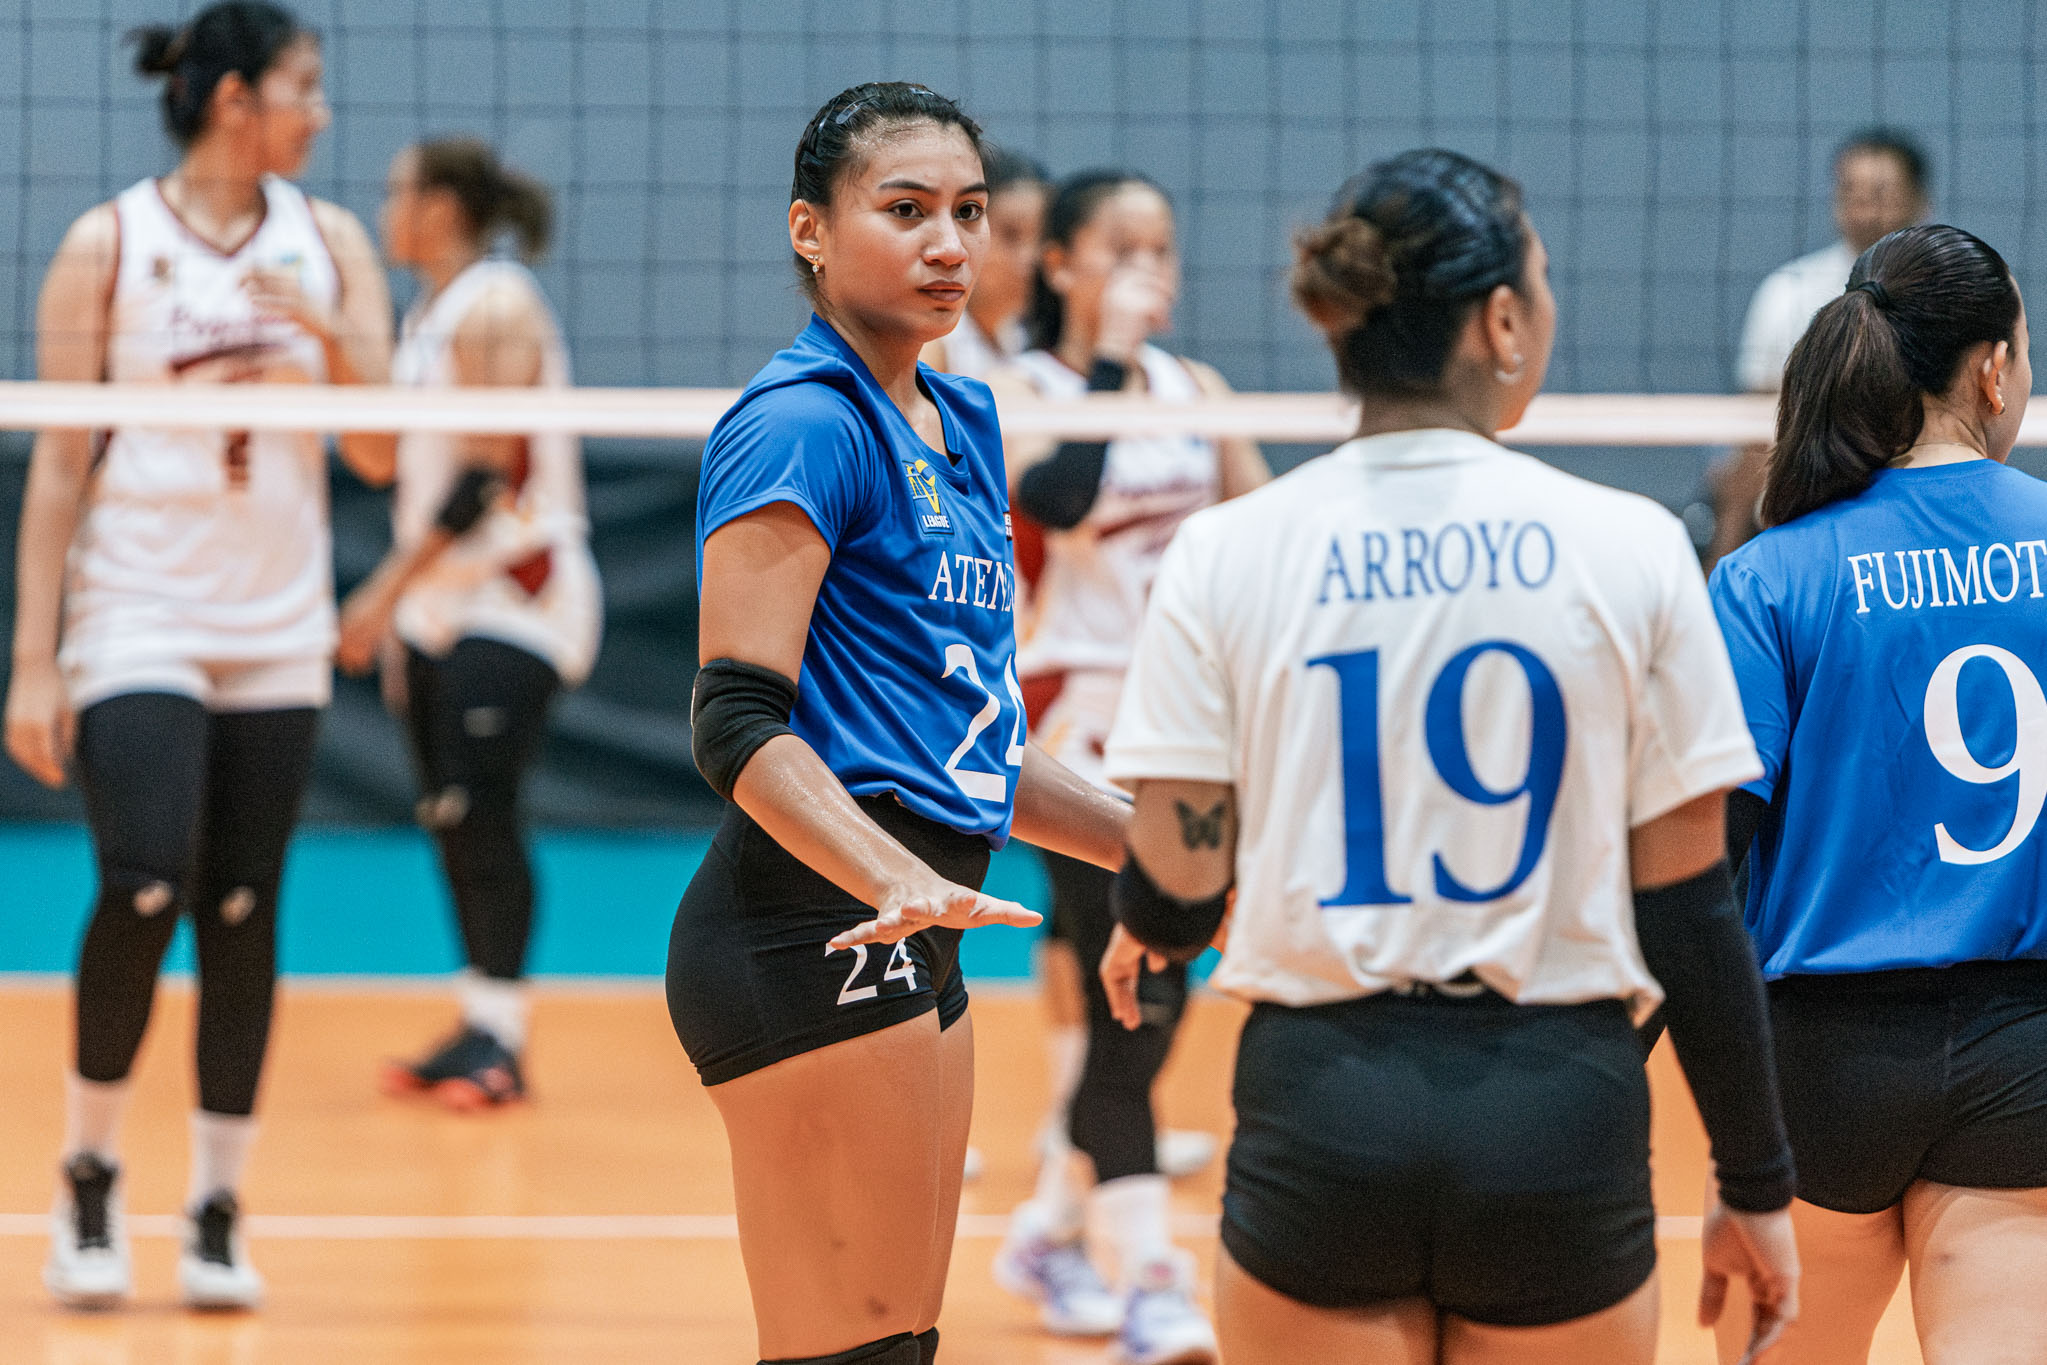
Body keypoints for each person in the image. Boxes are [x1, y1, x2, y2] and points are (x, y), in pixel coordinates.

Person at [1092, 148, 1801, 1364]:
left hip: (1322, 1106)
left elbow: (1177, 886)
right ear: (1502, 320)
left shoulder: (1226, 550)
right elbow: (1690, 912)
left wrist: (1148, 918)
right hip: (1556, 1112)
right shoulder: (1633, 546)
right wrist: (1754, 1179)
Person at [666, 82, 1130, 1365]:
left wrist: (1154, 850)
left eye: (969, 213)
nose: (949, 244)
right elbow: (732, 720)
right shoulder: (802, 421)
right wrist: (889, 875)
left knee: (902, 1343)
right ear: (811, 230)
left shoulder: (961, 417)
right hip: (806, 925)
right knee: (848, 1353)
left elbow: (966, 744)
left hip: (915, 918)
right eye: (907, 210)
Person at [4, 1, 393, 1311]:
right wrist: (35, 660)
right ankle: (89, 1171)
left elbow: (380, 451)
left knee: (241, 907)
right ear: (236, 99)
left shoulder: (329, 242)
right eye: (303, 87)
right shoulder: (109, 244)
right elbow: (59, 461)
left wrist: (327, 331)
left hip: (274, 621)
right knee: (143, 882)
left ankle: (218, 1204)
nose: (320, 113)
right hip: (138, 609)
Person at [1709, 224, 2047, 1364]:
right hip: (2025, 1048)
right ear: (1992, 371)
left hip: (1822, 1061)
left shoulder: (1767, 573)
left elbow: (1700, 858)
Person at [987, 168, 1268, 1361]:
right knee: (1134, 990)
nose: (1146, 270)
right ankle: (1152, 1277)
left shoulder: (1196, 391)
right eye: (1119, 248)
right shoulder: (1015, 389)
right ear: (1060, 265)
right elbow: (1055, 497)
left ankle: (1048, 1231)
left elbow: (1265, 534)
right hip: (1073, 729)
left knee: (1158, 1000)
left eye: (1161, 249)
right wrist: (1105, 359)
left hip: (1188, 731)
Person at [338, 137, 601, 1109]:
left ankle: (505, 1041)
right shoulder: (428, 315)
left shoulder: (496, 304)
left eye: (396, 192)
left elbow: (484, 479)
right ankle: (479, 1019)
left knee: (484, 807)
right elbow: (393, 469)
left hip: (517, 595)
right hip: (443, 604)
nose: (384, 209)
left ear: (442, 206)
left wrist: (379, 593)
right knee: (448, 814)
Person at [1711, 130, 1929, 563]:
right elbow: (1756, 434)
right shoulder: (1788, 291)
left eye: (1880, 194)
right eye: (1850, 193)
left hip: (1922, 504)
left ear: (1920, 201)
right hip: (1814, 507)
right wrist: (1722, 556)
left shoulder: (1955, 292)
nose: (1864, 210)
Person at [921, 144, 1048, 379]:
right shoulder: (934, 342)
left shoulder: (1019, 339)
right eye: (1011, 235)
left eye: (1041, 238)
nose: (1030, 258)